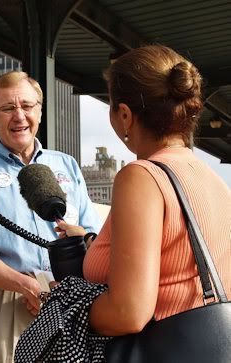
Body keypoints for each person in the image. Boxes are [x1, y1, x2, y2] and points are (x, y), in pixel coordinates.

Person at [57, 45, 230, 336]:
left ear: (125, 115)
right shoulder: (211, 178)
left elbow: (128, 314)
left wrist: (64, 306)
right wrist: (91, 240)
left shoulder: (141, 177)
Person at [0, 71, 101, 362]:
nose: (18, 116)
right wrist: (28, 286)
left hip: (70, 297)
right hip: (8, 299)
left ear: (40, 113)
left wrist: (60, 288)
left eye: (27, 106)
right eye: (7, 108)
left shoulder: (66, 164)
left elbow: (92, 233)